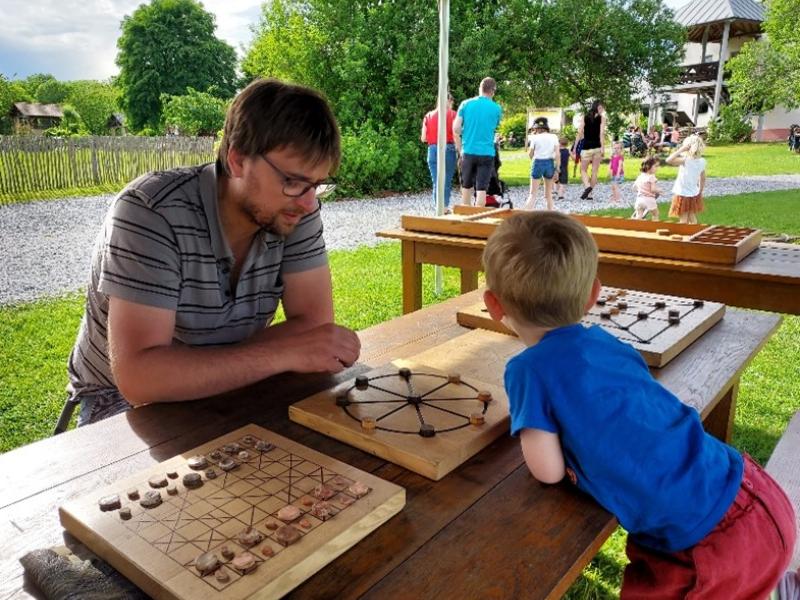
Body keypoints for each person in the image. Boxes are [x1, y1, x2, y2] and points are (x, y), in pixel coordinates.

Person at [480, 211, 796, 600]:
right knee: (753, 578)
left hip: (703, 544)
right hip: (752, 491)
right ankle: (776, 585)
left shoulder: (527, 370)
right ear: (593, 295)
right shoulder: (609, 343)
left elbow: (547, 471)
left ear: (493, 304)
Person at [66, 78, 361, 425]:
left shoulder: (293, 211)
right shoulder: (150, 211)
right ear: (237, 160)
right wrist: (280, 354)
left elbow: (314, 327)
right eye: (293, 181)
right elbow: (140, 379)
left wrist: (246, 361)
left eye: (317, 184)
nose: (310, 203)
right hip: (118, 400)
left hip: (234, 383)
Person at [453, 77, 503, 207]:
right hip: (487, 153)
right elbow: (495, 125)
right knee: (481, 190)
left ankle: (466, 216)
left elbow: (456, 129)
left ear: (480, 89)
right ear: (493, 91)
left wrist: (466, 132)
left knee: (466, 188)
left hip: (468, 151)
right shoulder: (497, 108)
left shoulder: (465, 104)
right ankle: (478, 215)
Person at [421, 93, 457, 212]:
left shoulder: (428, 115)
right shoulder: (453, 115)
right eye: (452, 102)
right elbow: (457, 133)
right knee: (446, 181)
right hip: (448, 148)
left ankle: (438, 208)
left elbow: (423, 138)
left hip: (432, 150)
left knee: (436, 181)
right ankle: (444, 208)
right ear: (449, 101)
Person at [666, 134, 707, 224]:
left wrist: (681, 149)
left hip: (682, 193)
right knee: (692, 217)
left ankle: (683, 231)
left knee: (683, 219)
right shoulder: (702, 161)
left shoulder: (685, 160)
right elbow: (703, 178)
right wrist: (700, 191)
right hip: (693, 193)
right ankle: (694, 231)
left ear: (687, 147)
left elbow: (668, 160)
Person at [523, 117, 560, 211]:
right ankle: (550, 215)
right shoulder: (554, 137)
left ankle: (525, 215)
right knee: (548, 194)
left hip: (538, 162)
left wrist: (533, 158)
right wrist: (557, 169)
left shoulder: (535, 137)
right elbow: (557, 154)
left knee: (532, 194)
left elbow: (530, 154)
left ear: (537, 128)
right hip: (549, 163)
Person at [574, 100, 606, 200]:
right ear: (596, 107)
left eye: (602, 108)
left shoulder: (585, 117)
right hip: (597, 148)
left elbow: (579, 132)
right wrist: (603, 148)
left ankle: (587, 187)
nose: (602, 110)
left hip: (586, 148)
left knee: (583, 170)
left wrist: (575, 147)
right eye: (601, 108)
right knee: (594, 171)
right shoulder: (602, 118)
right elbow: (601, 134)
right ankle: (590, 194)